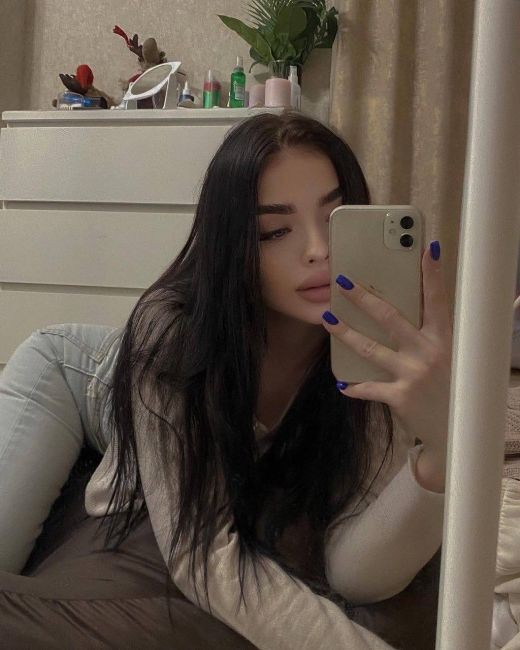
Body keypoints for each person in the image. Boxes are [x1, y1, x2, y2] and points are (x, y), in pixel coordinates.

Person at [0, 111, 453, 648]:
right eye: (274, 231)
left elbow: (353, 572)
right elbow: (204, 555)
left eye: (335, 220)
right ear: (234, 245)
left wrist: (441, 446)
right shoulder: (171, 331)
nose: (318, 249)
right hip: (78, 375)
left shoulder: (372, 345)